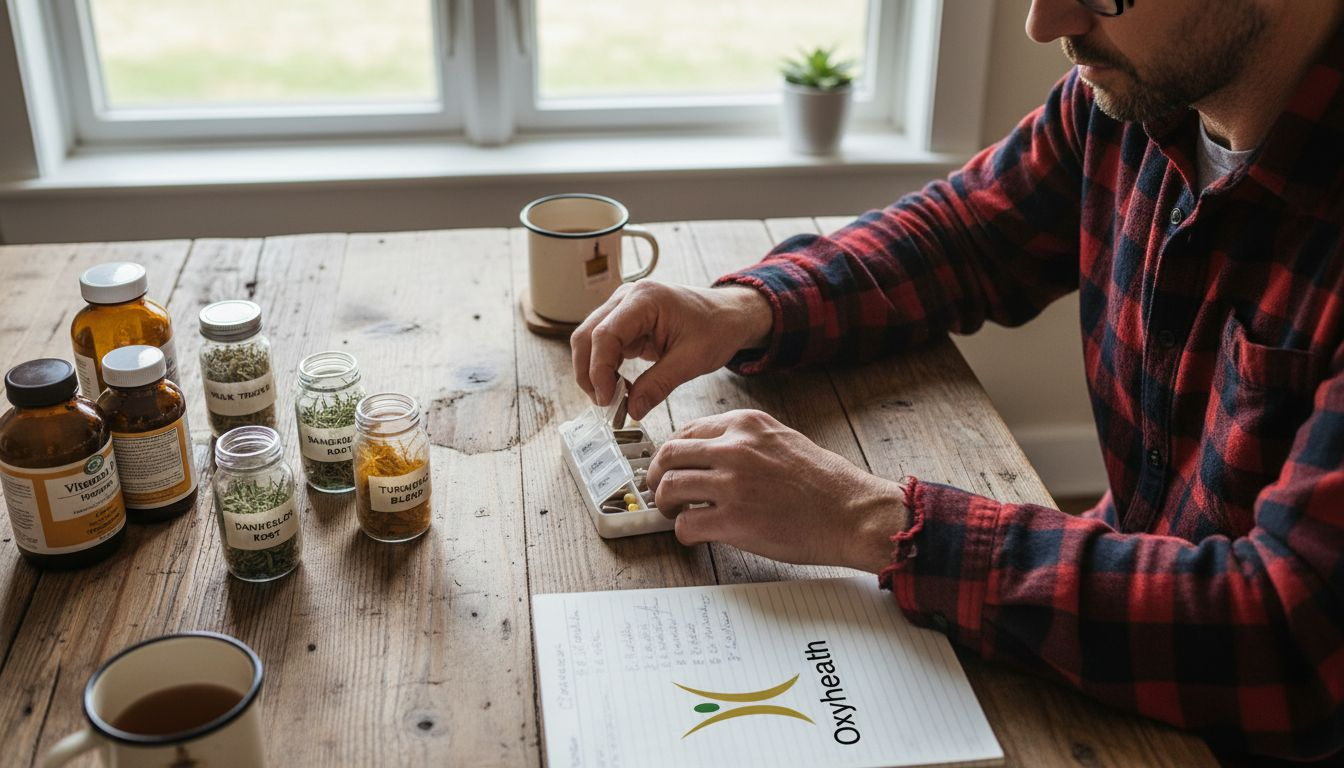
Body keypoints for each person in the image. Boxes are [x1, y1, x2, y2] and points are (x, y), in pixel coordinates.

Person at [569, 0, 1344, 761]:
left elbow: (1283, 637)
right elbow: (970, 231)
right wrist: (744, 308)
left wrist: (868, 519)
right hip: (1106, 624)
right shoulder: (1135, 91)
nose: (1047, 23)